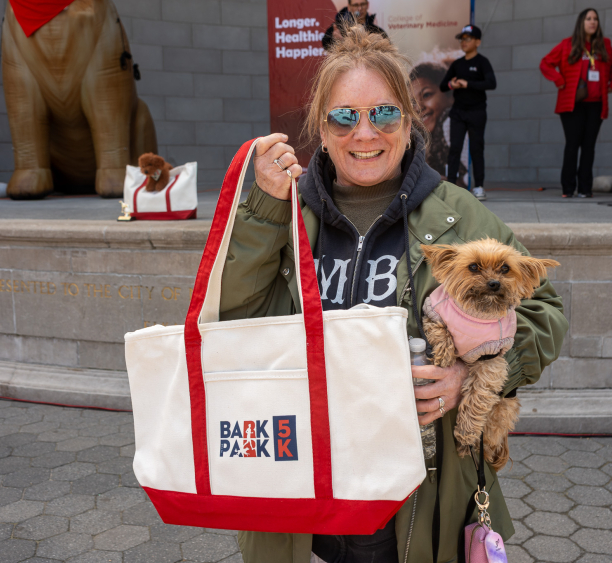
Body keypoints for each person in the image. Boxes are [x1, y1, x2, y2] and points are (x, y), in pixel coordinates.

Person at [219, 25, 567, 563]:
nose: (365, 134)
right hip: (303, 480)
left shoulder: (457, 213)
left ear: (409, 122)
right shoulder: (285, 212)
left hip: (416, 494)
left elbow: (546, 308)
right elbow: (231, 323)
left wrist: (470, 376)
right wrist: (263, 211)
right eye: (344, 116)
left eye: (383, 114)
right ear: (321, 126)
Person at [540, 9, 612, 198]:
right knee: (572, 145)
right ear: (581, 23)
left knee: (589, 146)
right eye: (588, 19)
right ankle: (568, 188)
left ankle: (585, 188)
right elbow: (546, 63)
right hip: (572, 104)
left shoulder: (605, 44)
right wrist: (559, 80)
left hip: (596, 104)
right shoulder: (568, 44)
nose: (593, 22)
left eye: (595, 19)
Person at [439, 25, 496, 201]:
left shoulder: (482, 62)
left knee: (476, 148)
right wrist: (452, 85)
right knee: (454, 148)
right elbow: (443, 85)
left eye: (468, 39)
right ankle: (452, 185)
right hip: (458, 112)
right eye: (462, 39)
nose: (464, 42)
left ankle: (479, 186)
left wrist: (468, 84)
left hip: (477, 112)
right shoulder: (457, 64)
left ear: (477, 42)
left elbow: (491, 83)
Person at [410, 62, 467, 186]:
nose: (418, 108)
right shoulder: (420, 135)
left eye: (426, 95)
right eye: (412, 102)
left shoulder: (450, 123)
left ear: (450, 96)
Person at [322, 0, 386, 50]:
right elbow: (325, 43)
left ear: (367, 5)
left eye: (362, 4)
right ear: (349, 7)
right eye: (355, 5)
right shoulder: (340, 27)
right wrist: (335, 39)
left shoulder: (376, 30)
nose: (360, 8)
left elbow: (387, 48)